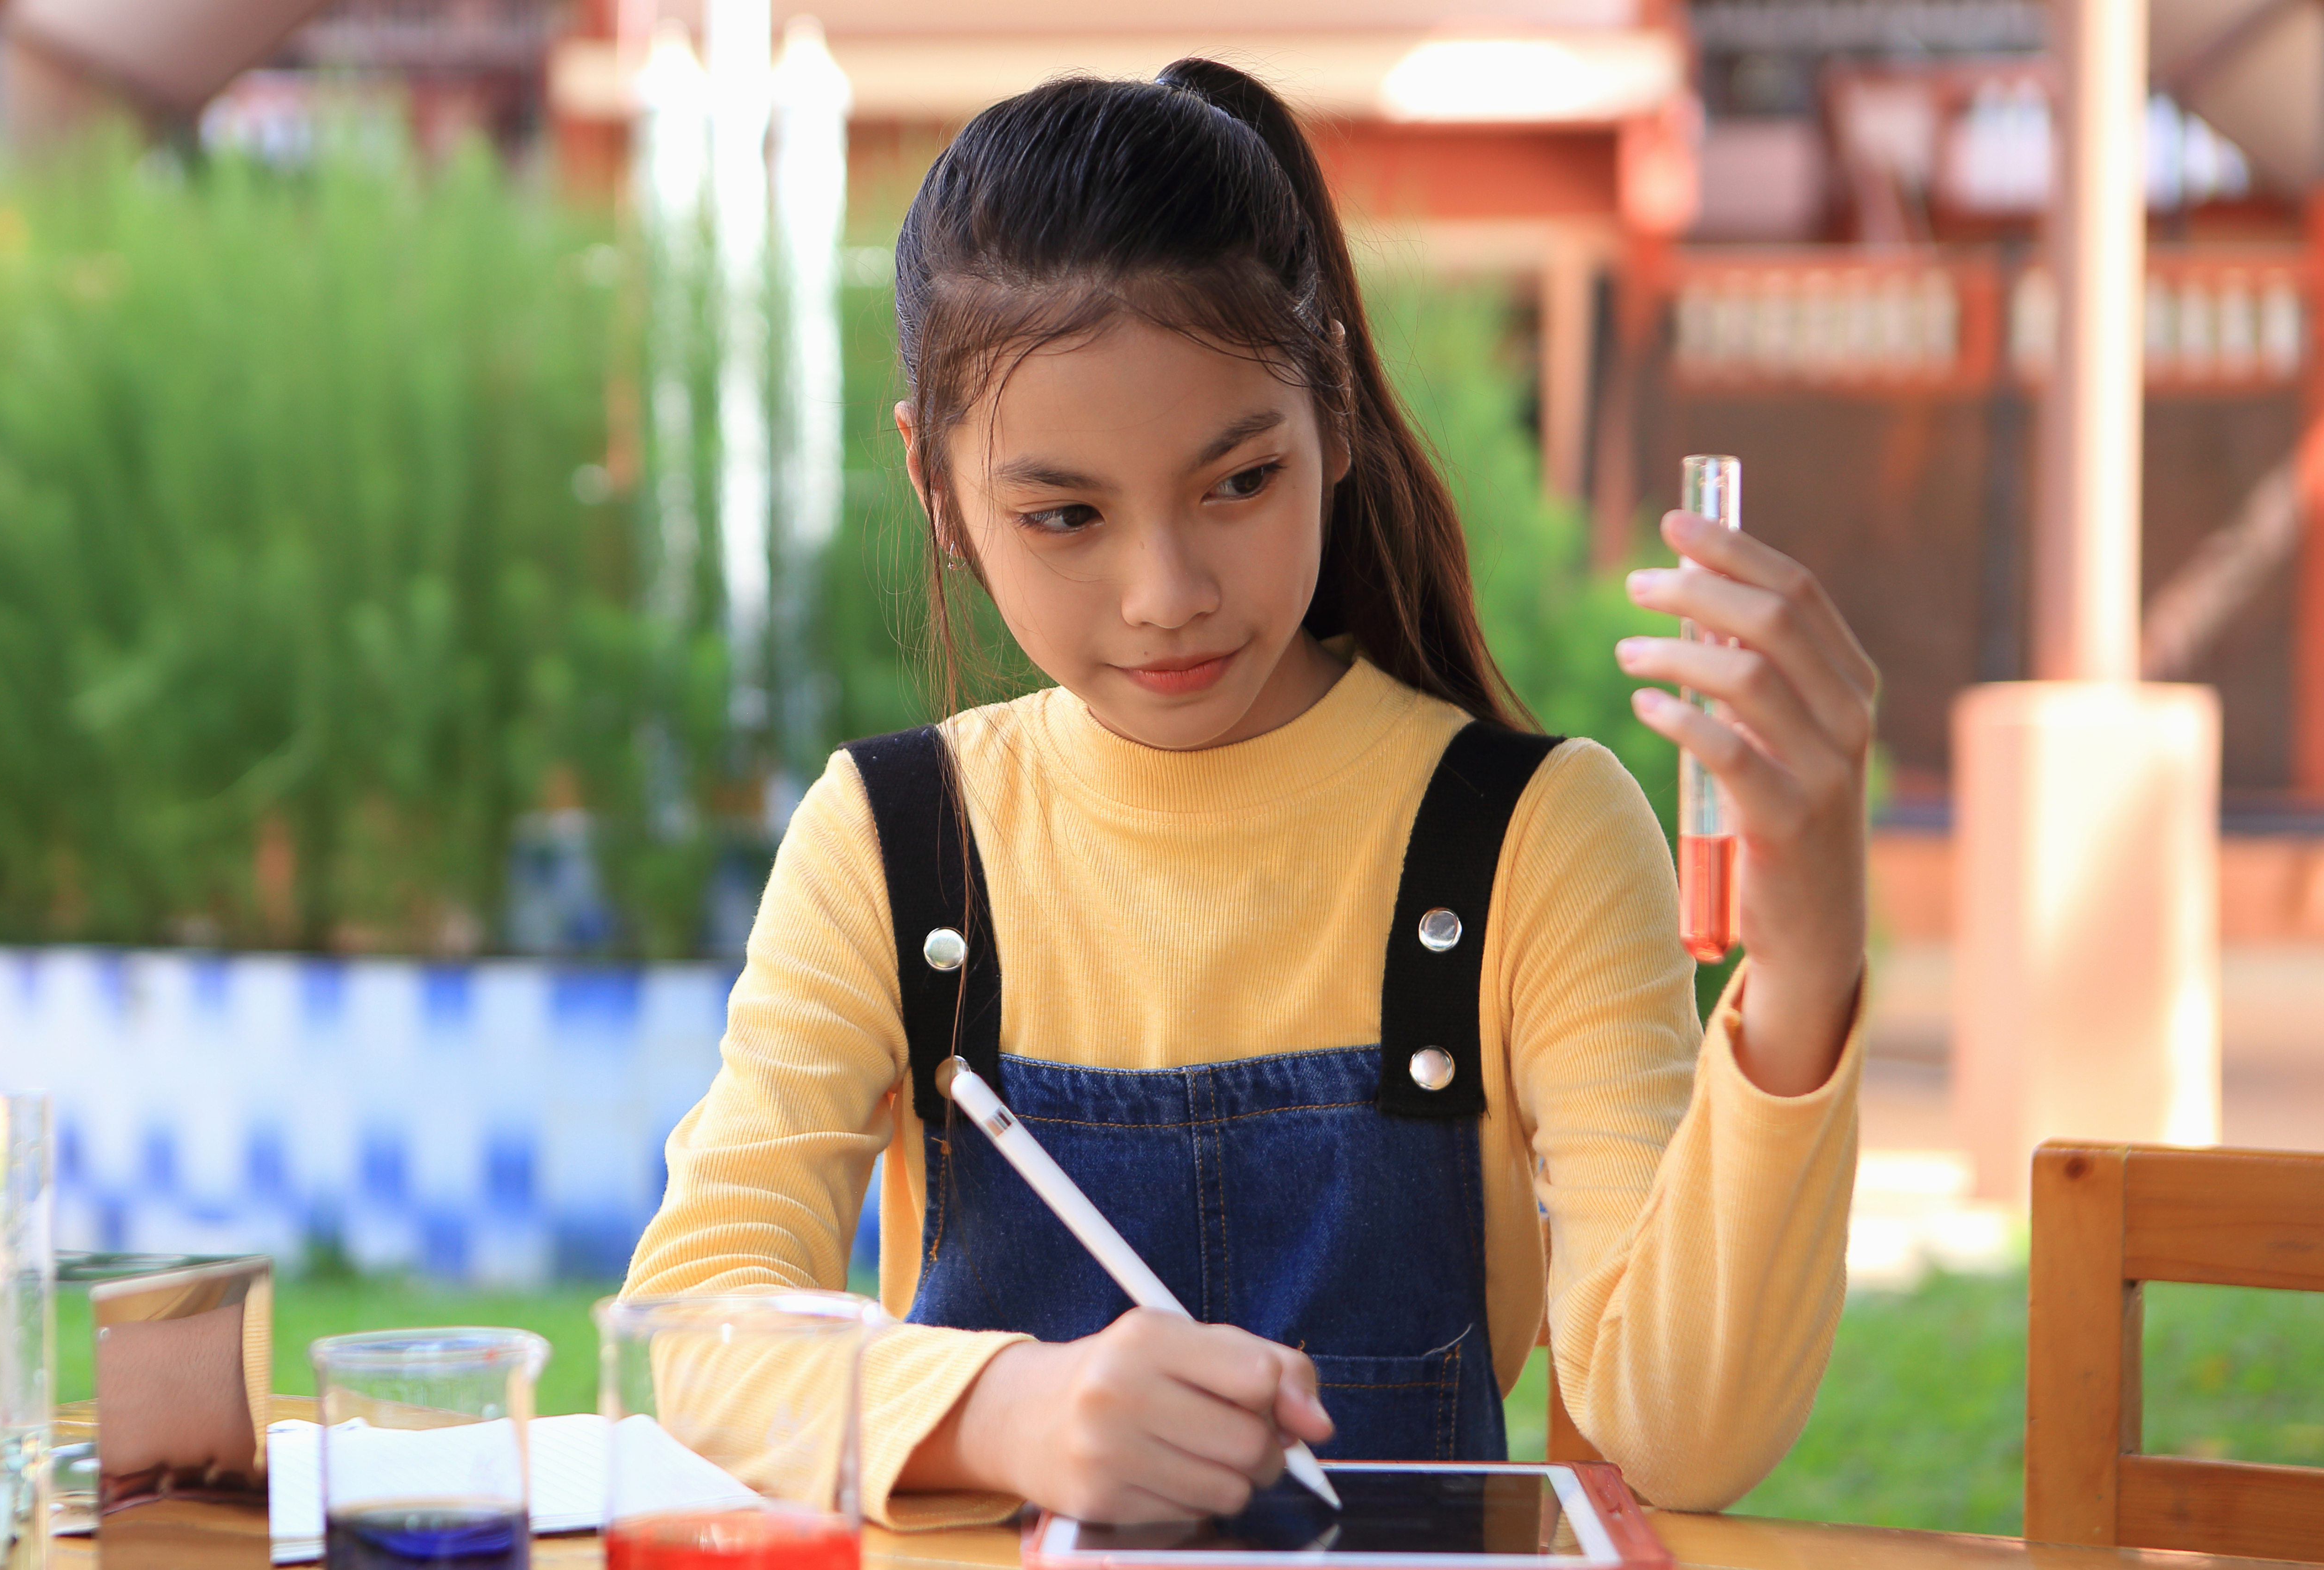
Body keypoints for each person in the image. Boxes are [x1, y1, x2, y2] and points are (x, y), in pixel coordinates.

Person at [621, 59, 1874, 1527]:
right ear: (937, 487)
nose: (1166, 593)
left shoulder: (1533, 838)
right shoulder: (897, 846)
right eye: (1065, 515)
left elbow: (1678, 1446)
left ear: (1331, 412)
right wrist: (1014, 1409)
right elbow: (694, 1325)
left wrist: (1807, 957)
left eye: (1237, 482)